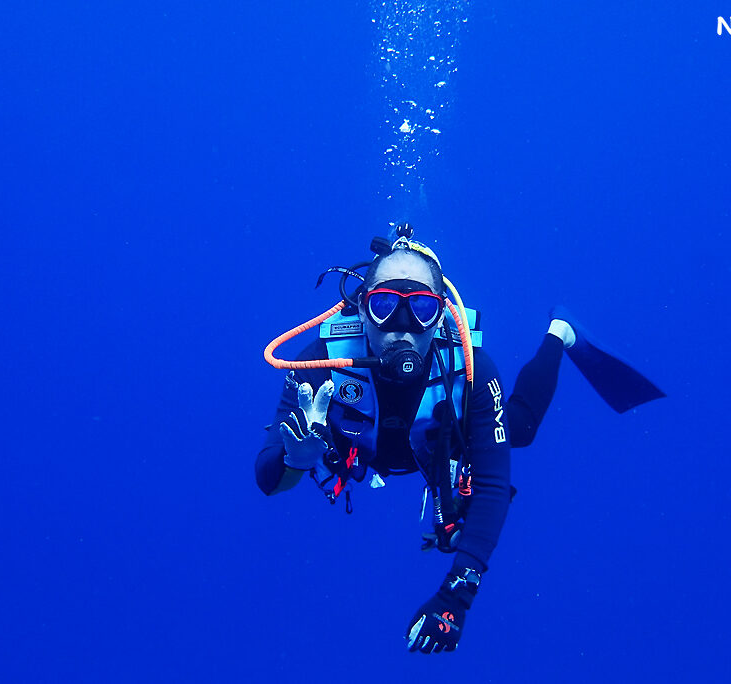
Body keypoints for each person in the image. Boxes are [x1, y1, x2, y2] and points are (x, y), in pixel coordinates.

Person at [256, 224, 663, 653]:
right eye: (384, 305)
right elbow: (267, 477)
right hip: (367, 445)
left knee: (518, 431)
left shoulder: (471, 367)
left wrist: (456, 596)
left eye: (422, 309)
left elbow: (491, 485)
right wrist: (295, 461)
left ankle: (559, 334)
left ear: (442, 313)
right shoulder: (320, 363)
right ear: (360, 307)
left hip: (442, 441)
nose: (403, 327)